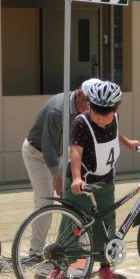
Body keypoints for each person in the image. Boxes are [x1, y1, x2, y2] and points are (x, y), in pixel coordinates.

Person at [50, 80, 140, 279]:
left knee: (106, 223)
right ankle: (59, 267)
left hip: (105, 181)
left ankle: (105, 268)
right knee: (72, 224)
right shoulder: (81, 123)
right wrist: (75, 178)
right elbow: (76, 150)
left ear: (116, 109)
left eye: (105, 112)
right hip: (81, 182)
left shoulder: (114, 118)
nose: (100, 115)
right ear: (90, 105)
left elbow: (113, 133)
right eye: (96, 110)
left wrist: (128, 143)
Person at [21, 78, 101, 256]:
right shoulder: (58, 110)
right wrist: (56, 177)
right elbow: (48, 146)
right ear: (80, 94)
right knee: (45, 201)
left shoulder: (86, 110)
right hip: (37, 153)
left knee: (76, 195)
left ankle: (77, 244)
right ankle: (35, 251)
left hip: (60, 151)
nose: (89, 109)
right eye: (88, 103)